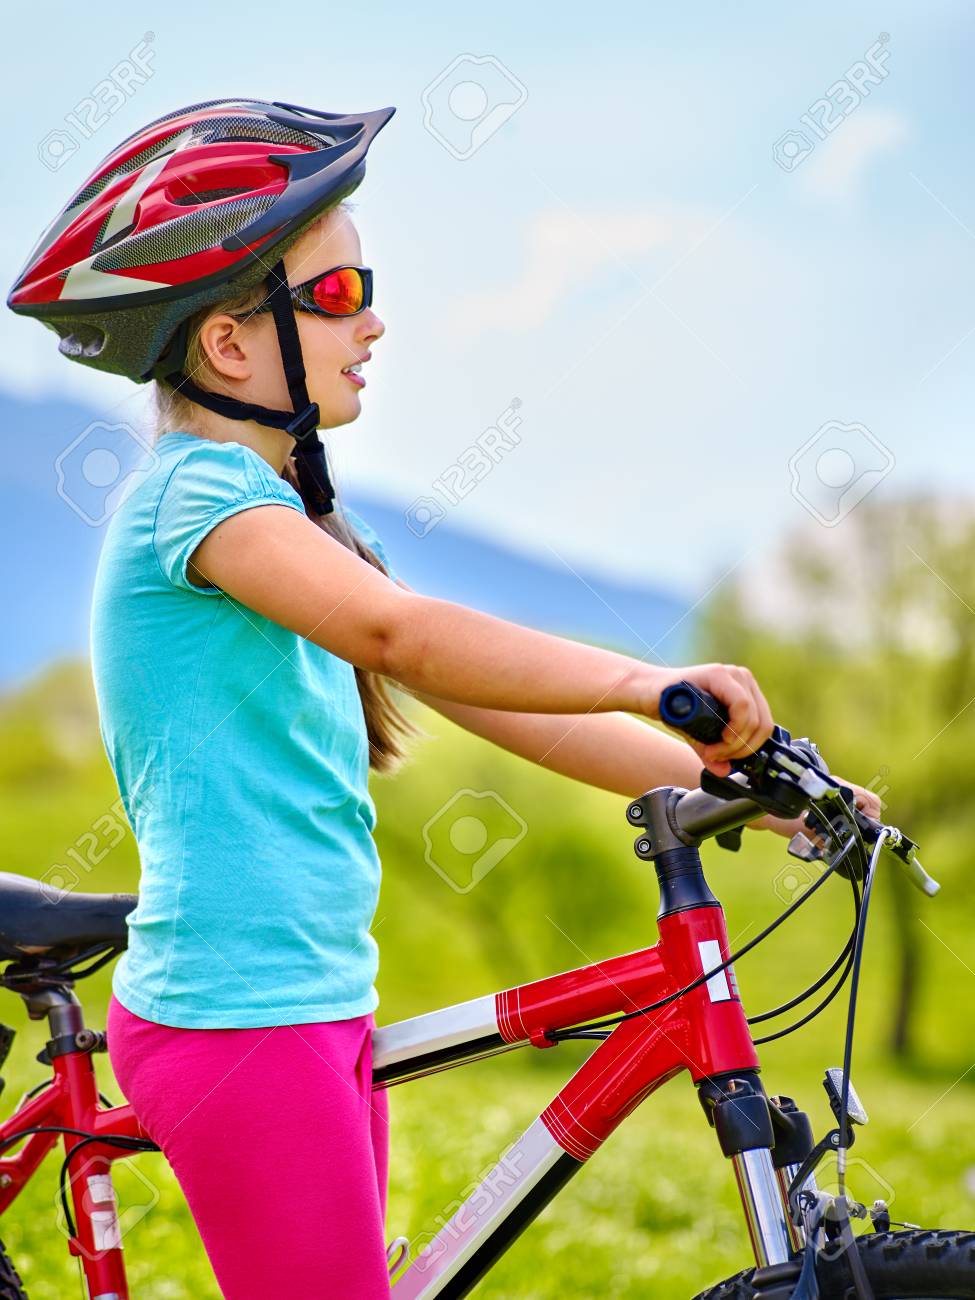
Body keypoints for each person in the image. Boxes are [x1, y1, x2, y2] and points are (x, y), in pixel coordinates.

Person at [8, 98, 879, 1299]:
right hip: (237, 1027)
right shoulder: (195, 503)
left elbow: (489, 699)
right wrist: (648, 675)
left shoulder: (300, 524)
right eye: (336, 295)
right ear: (227, 343)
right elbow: (404, 634)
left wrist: (738, 780)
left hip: (313, 1009)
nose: (374, 323)